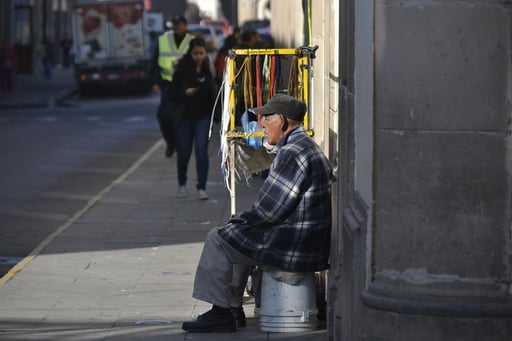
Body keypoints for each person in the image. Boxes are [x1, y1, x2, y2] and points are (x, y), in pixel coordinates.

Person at [181, 94, 335, 333]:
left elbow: (268, 211)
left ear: (282, 121)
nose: (261, 124)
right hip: (305, 241)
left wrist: (239, 220)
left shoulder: (292, 153)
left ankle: (221, 312)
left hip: (294, 246)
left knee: (218, 238)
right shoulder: (305, 146)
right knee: (237, 237)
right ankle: (232, 309)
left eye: (266, 119)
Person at [169, 37, 217, 200]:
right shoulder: (182, 69)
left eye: (201, 53)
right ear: (190, 53)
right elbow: (172, 93)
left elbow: (215, 89)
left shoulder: (208, 67)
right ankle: (181, 184)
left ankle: (201, 187)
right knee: (183, 153)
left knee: (201, 152)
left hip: (203, 116)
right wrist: (184, 93)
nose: (198, 56)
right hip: (185, 117)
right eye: (195, 53)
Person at [151, 15, 194, 158]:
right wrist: (155, 81)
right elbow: (155, 61)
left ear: (185, 25)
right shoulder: (164, 40)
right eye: (175, 24)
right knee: (164, 117)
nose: (177, 27)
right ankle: (171, 144)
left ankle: (182, 145)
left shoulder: (192, 41)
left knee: (183, 118)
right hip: (168, 85)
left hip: (185, 85)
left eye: (180, 24)